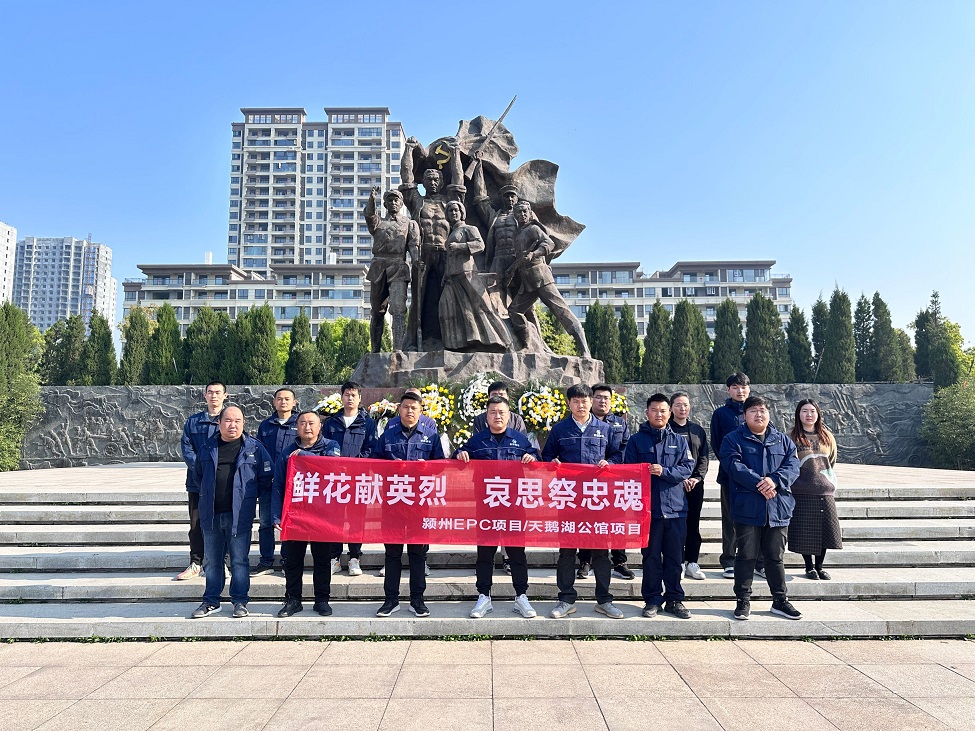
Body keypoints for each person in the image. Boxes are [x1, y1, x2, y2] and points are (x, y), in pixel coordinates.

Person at [541, 383, 624, 619]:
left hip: (597, 500)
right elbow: (547, 456)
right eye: (576, 401)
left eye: (585, 400)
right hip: (569, 499)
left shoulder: (605, 429)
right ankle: (566, 599)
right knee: (567, 551)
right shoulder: (560, 429)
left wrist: (610, 464)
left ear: (591, 402)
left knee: (601, 552)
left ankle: (604, 600)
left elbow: (617, 454)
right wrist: (552, 463)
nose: (581, 405)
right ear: (569, 404)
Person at [455, 395, 539, 619]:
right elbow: (458, 454)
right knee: (485, 553)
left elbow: (536, 456)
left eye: (501, 412)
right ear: (486, 416)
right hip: (487, 505)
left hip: (514, 505)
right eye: (493, 412)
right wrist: (460, 454)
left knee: (517, 553)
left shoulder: (519, 440)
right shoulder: (478, 441)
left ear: (509, 415)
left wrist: (531, 457)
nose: (497, 416)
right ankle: (484, 596)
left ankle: (521, 596)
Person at [719, 395, 801, 621]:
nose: (758, 415)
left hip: (778, 507)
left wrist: (774, 480)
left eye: (762, 410)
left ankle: (780, 600)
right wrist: (761, 483)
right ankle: (743, 600)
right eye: (753, 411)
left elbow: (793, 465)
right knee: (746, 555)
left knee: (775, 557)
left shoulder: (782, 440)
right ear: (744, 415)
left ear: (768, 413)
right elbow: (733, 466)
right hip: (747, 507)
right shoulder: (733, 439)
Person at [190, 406, 273, 619]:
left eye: (237, 421)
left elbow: (266, 477)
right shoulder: (207, 447)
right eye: (228, 420)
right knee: (212, 561)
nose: (232, 425)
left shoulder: (254, 448)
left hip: (240, 515)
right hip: (211, 515)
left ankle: (240, 601)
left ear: (244, 423)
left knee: (239, 560)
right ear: (219, 423)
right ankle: (211, 601)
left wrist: (248, 496)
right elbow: (198, 476)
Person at [375, 391, 446, 618]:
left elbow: (442, 465)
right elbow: (373, 462)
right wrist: (389, 467)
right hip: (393, 503)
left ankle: (417, 600)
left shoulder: (431, 436)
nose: (409, 411)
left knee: (418, 554)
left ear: (421, 411)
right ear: (399, 410)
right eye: (405, 407)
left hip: (419, 504)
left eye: (414, 408)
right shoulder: (388, 435)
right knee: (392, 553)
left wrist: (428, 467)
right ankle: (390, 600)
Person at [624, 394, 695, 618]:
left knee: (675, 559)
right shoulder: (636, 441)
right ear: (647, 413)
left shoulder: (680, 441)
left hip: (676, 510)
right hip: (649, 511)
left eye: (663, 410)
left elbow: (687, 468)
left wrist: (664, 471)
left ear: (669, 413)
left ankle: (675, 599)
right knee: (651, 557)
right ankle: (652, 599)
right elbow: (628, 471)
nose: (659, 414)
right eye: (654, 410)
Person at [272, 410, 342, 617]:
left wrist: (304, 456)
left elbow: (331, 469)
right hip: (296, 514)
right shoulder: (287, 452)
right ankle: (293, 600)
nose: (307, 427)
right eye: (302, 423)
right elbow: (278, 485)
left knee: (322, 559)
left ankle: (322, 600)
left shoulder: (331, 446)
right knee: (293, 560)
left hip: (323, 515)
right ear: (297, 427)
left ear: (320, 426)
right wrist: (277, 515)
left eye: (312, 423)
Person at [400, 137, 465, 350]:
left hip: (447, 252)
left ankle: (454, 341)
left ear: (441, 182)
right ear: (424, 182)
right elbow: (407, 179)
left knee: (452, 296)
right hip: (423, 253)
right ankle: (412, 342)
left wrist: (455, 153)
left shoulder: (449, 202)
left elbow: (459, 183)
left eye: (436, 179)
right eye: (429, 179)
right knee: (418, 299)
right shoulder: (417, 201)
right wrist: (408, 150)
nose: (433, 182)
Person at [506, 200, 590, 357]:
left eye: (525, 211)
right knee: (514, 311)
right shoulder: (517, 235)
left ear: (529, 213)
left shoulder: (533, 229)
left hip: (541, 277)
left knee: (562, 311)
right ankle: (529, 344)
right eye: (518, 212)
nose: (522, 215)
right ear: (514, 215)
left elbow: (549, 243)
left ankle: (585, 351)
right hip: (528, 282)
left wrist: (534, 254)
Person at [471, 380, 530, 576]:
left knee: (513, 533)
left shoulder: (517, 423)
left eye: (502, 396)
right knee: (486, 536)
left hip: (512, 488)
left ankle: (509, 563)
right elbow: (469, 449)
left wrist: (529, 456)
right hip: (487, 488)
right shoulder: (480, 422)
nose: (497, 415)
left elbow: (528, 450)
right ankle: (484, 582)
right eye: (494, 396)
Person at [322, 380, 379, 577]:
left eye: (354, 395)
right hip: (335, 479)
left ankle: (355, 557)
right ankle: (334, 558)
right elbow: (324, 447)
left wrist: (355, 463)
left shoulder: (368, 423)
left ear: (359, 398)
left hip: (358, 478)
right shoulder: (331, 423)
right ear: (341, 397)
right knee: (335, 518)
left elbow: (372, 448)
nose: (350, 398)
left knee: (356, 519)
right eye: (347, 394)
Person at [578, 383, 634, 580]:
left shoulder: (619, 423)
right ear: (591, 399)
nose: (603, 401)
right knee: (586, 521)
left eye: (606, 398)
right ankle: (585, 561)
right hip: (586, 482)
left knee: (616, 521)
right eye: (598, 397)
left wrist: (611, 463)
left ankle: (619, 561)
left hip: (614, 480)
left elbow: (625, 448)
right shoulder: (582, 422)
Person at [710, 372, 763, 579]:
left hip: (757, 477)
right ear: (728, 390)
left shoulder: (759, 411)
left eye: (743, 387)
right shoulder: (721, 414)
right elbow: (717, 444)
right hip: (730, 476)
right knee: (730, 518)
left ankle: (759, 562)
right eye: (735, 387)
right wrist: (734, 468)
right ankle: (729, 560)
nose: (740, 391)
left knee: (758, 518)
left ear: (749, 388)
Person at [177, 381, 228, 581]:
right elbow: (187, 448)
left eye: (218, 392)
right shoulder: (193, 422)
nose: (214, 396)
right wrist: (203, 469)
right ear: (205, 395)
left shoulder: (230, 419)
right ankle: (196, 562)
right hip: (197, 483)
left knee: (223, 523)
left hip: (223, 482)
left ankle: (222, 562)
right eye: (210, 392)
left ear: (225, 395)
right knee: (196, 524)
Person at [788, 399, 842, 580]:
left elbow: (831, 460)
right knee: (806, 530)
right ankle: (809, 567)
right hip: (802, 490)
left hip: (824, 490)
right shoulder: (791, 436)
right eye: (804, 411)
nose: (809, 414)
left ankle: (820, 566)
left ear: (818, 414)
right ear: (798, 414)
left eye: (812, 411)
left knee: (825, 530)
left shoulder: (827, 436)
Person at [364, 187, 420, 352]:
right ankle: (375, 350)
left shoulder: (409, 224)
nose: (393, 203)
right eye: (390, 200)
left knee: (398, 309)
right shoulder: (378, 223)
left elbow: (413, 246)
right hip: (378, 267)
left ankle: (397, 349)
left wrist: (417, 261)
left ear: (401, 203)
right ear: (385, 204)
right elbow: (369, 215)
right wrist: (372, 199)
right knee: (377, 311)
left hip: (398, 267)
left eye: (396, 200)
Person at [253, 387, 299, 575]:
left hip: (291, 483)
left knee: (289, 522)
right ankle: (266, 561)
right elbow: (258, 451)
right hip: (268, 482)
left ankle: (287, 559)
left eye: (287, 399)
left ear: (294, 402)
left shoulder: (300, 423)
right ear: (274, 402)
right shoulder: (266, 425)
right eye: (279, 399)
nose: (283, 402)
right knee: (265, 523)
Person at [668, 391, 710, 580]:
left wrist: (697, 478)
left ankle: (692, 561)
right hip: (673, 485)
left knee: (693, 523)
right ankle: (677, 562)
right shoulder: (666, 429)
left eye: (685, 405)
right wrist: (679, 477)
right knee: (675, 525)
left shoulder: (697, 430)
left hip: (694, 485)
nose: (682, 408)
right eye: (678, 405)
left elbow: (703, 457)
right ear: (671, 408)